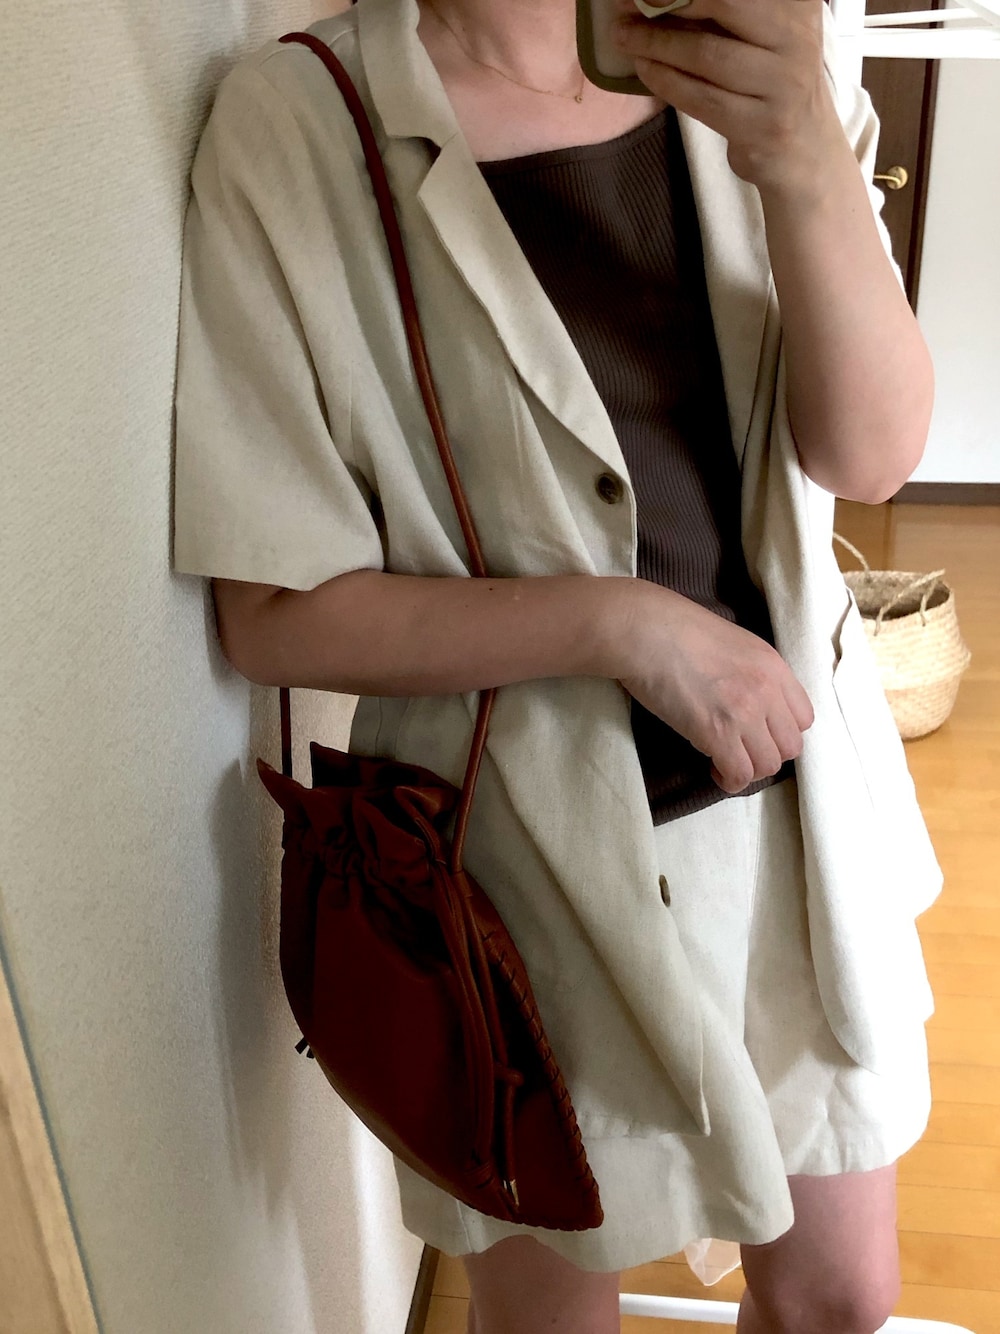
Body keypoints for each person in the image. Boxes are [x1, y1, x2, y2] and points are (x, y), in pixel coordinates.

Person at [171, 0, 944, 1329]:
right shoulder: (299, 127)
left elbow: (870, 458)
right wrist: (620, 625)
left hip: (797, 824)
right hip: (514, 868)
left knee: (839, 1298)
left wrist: (807, 157)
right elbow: (275, 611)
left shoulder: (774, 55)